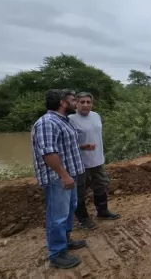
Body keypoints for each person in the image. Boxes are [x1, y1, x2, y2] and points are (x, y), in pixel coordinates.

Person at [31, 89, 92, 269]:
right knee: (57, 216)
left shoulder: (61, 121)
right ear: (63, 103)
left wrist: (82, 146)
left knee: (67, 211)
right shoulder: (47, 123)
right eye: (73, 100)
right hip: (58, 178)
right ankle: (57, 253)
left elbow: (63, 145)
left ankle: (65, 242)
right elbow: (48, 153)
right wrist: (64, 176)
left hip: (69, 175)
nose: (76, 102)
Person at [69, 91, 120, 230]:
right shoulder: (70, 119)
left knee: (101, 186)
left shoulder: (96, 116)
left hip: (97, 160)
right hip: (80, 164)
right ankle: (83, 219)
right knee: (80, 192)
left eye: (88, 102)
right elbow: (67, 143)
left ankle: (102, 212)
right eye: (82, 102)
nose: (86, 105)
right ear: (76, 104)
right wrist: (82, 146)